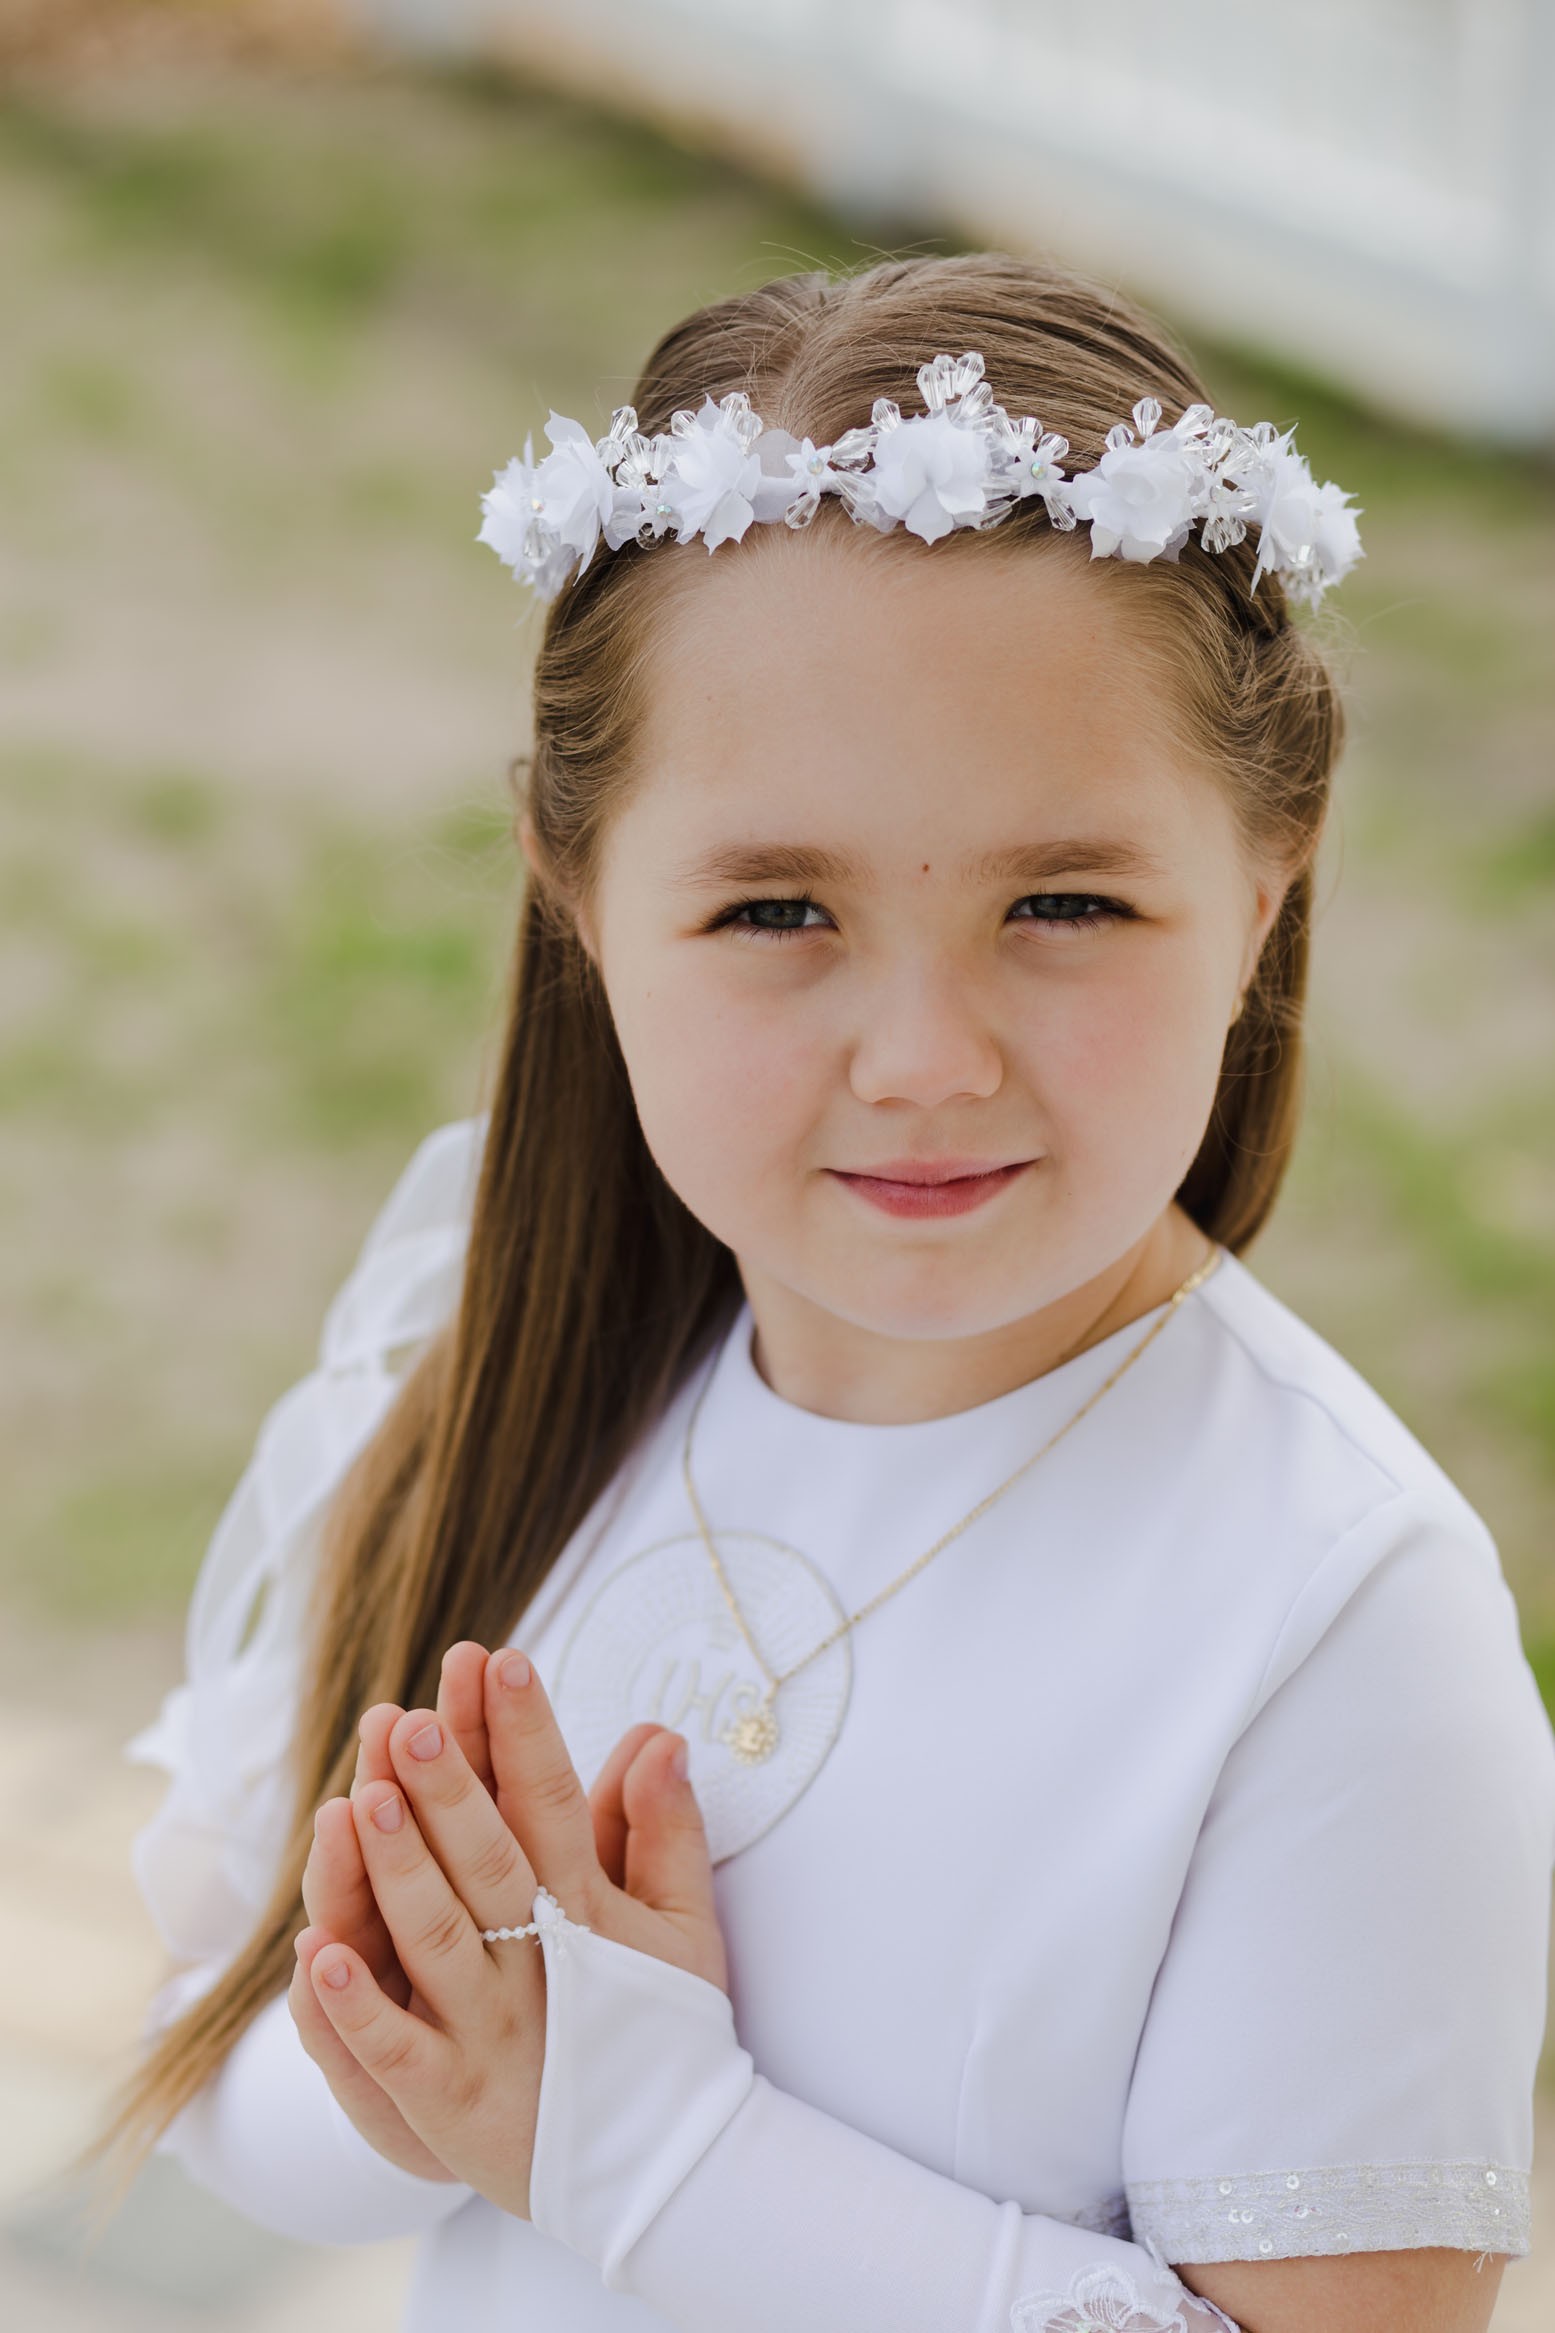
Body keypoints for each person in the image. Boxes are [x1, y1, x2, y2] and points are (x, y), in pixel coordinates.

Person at [80, 252, 1554, 2333]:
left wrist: (647, 2146)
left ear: (1266, 878)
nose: (926, 1058)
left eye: (1065, 901)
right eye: (778, 908)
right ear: (578, 892)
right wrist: (437, 2060)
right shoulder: (498, 1380)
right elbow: (214, 2024)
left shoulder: (1334, 1610)